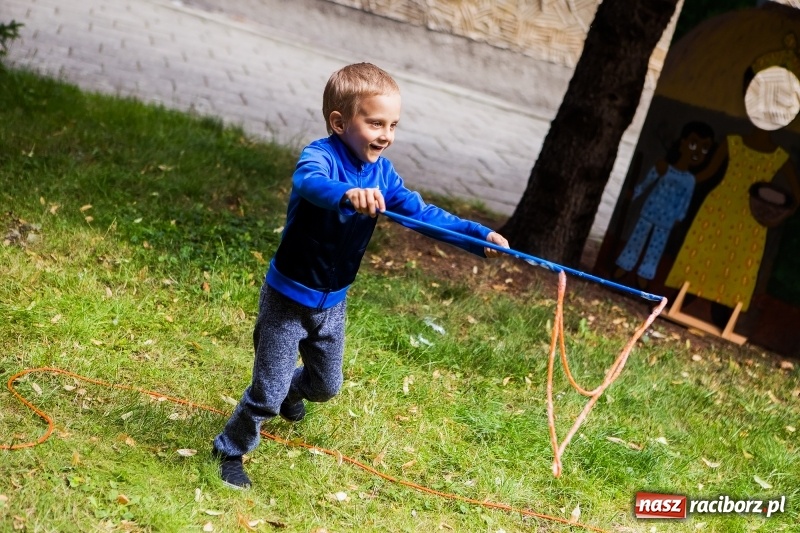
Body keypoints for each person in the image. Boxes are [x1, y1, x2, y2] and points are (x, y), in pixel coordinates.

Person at [211, 62, 509, 489]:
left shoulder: (383, 175)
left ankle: (295, 394)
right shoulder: (320, 157)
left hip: (333, 304)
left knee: (326, 386)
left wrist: (476, 236)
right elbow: (309, 183)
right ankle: (230, 448)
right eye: (374, 123)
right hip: (287, 300)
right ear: (339, 122)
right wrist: (346, 194)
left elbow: (422, 215)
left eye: (393, 125)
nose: (386, 134)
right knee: (266, 392)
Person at [613, 121, 714, 288]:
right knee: (636, 240)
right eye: (694, 143)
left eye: (704, 148)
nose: (697, 151)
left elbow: (685, 201)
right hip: (649, 212)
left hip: (667, 220)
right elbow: (646, 183)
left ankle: (644, 274)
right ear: (682, 142)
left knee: (655, 249)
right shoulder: (663, 167)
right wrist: (634, 194)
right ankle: (624, 266)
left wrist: (679, 217)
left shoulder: (690, 180)